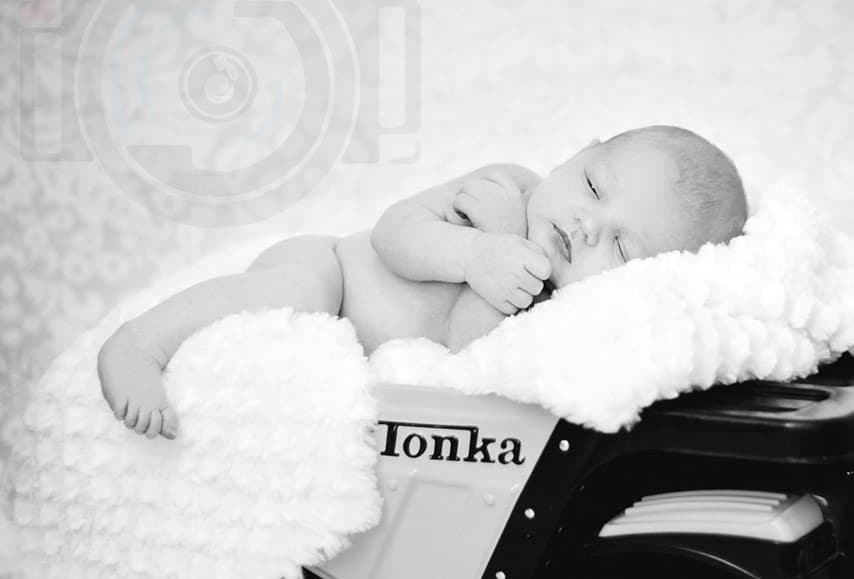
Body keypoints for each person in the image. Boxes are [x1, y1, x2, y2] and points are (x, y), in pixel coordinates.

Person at [97, 125, 748, 440]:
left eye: (621, 245)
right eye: (593, 186)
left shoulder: (557, 319)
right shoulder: (508, 185)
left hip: (341, 357)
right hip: (333, 274)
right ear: (577, 153)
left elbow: (462, 353)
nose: (584, 224)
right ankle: (140, 342)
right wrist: (475, 252)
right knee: (294, 296)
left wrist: (496, 281)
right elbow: (392, 232)